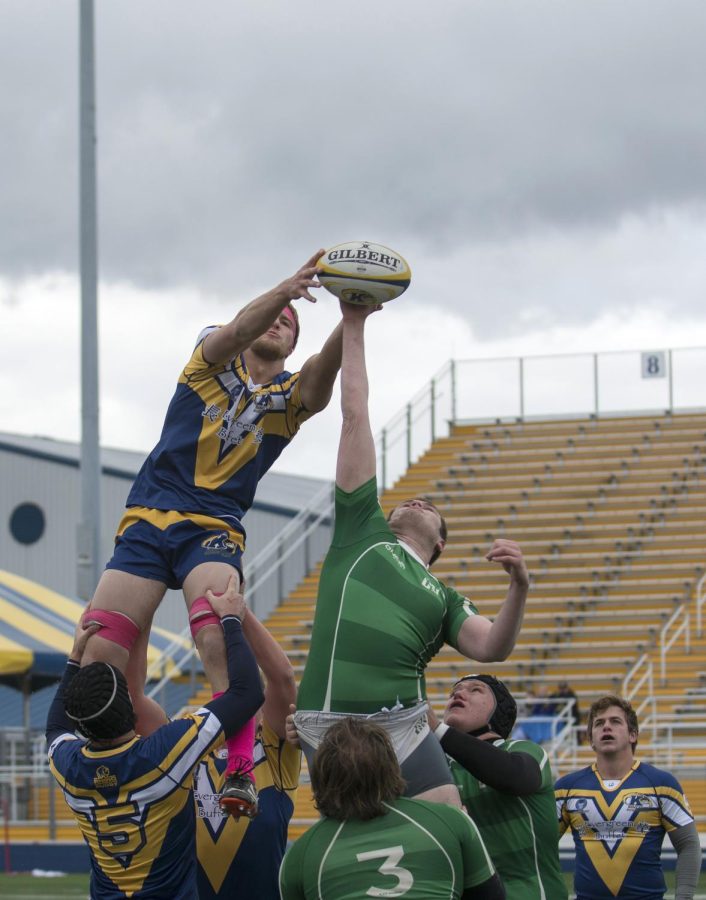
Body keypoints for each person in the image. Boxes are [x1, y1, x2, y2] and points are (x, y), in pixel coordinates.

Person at [80, 250, 343, 814]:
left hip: (214, 527)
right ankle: (111, 764)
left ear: (293, 347)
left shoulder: (287, 401)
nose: (280, 321)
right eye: (276, 313)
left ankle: (241, 769)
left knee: (215, 633)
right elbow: (239, 328)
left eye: (291, 323)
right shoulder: (209, 359)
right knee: (99, 646)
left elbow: (322, 380)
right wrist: (285, 290)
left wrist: (354, 315)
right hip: (149, 517)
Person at [293, 300, 530, 806]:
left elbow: (493, 648)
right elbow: (355, 413)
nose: (416, 500)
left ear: (440, 542)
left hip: (404, 723)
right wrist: (353, 321)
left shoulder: (443, 598)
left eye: (429, 506)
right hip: (329, 720)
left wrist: (520, 586)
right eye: (410, 499)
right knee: (356, 841)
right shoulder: (363, 529)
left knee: (450, 828)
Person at [46, 575, 264, 900]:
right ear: (130, 710)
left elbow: (56, 729)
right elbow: (247, 693)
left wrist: (77, 656)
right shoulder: (163, 753)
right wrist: (231, 620)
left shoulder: (71, 768)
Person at [279, 718, 505, 900]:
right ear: (392, 767)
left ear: (322, 777)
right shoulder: (451, 821)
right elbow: (492, 895)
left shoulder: (302, 854)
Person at [427, 673, 567, 900]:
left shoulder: (522, 750)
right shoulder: (439, 768)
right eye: (454, 691)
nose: (459, 693)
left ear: (498, 709)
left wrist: (437, 729)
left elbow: (516, 777)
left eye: (475, 690)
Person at [194, 603, 301, 898]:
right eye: (232, 694)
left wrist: (239, 612)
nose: (239, 702)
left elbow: (283, 678)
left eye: (247, 693)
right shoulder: (191, 747)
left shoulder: (273, 746)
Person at [555, 695, 700, 900]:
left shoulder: (662, 784)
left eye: (615, 721)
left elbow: (688, 845)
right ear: (590, 738)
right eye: (599, 723)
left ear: (633, 735)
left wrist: (684, 897)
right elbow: (540, 846)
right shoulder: (565, 788)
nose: (606, 727)